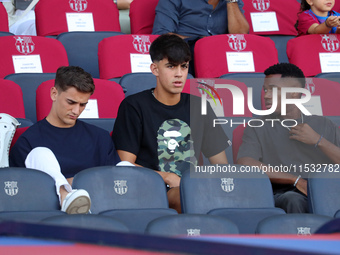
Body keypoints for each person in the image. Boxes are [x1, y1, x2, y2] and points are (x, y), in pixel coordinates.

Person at [112, 34, 230, 213]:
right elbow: (124, 165)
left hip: (196, 189)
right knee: (188, 197)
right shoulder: (134, 106)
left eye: (184, 67)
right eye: (171, 66)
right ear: (155, 69)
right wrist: (166, 177)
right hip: (150, 189)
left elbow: (221, 165)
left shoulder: (199, 106)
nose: (179, 74)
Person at [9, 66, 120, 214]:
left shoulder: (100, 137)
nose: (76, 111)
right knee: (40, 154)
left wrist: (74, 183)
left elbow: (116, 183)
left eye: (82, 105)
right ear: (54, 94)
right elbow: (22, 193)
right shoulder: (28, 141)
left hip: (100, 209)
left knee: (125, 167)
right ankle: (66, 196)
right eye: (71, 102)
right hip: (50, 214)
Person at [236, 63, 340, 213]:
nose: (266, 95)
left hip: (323, 191)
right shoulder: (257, 126)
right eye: (265, 89)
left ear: (295, 93)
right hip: (283, 193)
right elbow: (245, 163)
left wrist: (318, 140)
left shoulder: (323, 124)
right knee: (293, 199)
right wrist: (296, 180)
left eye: (273, 90)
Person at [152, 0, 249, 76]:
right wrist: (201, 43)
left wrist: (231, 1)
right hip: (186, 54)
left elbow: (241, 36)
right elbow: (162, 34)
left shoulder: (233, 2)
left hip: (221, 58)